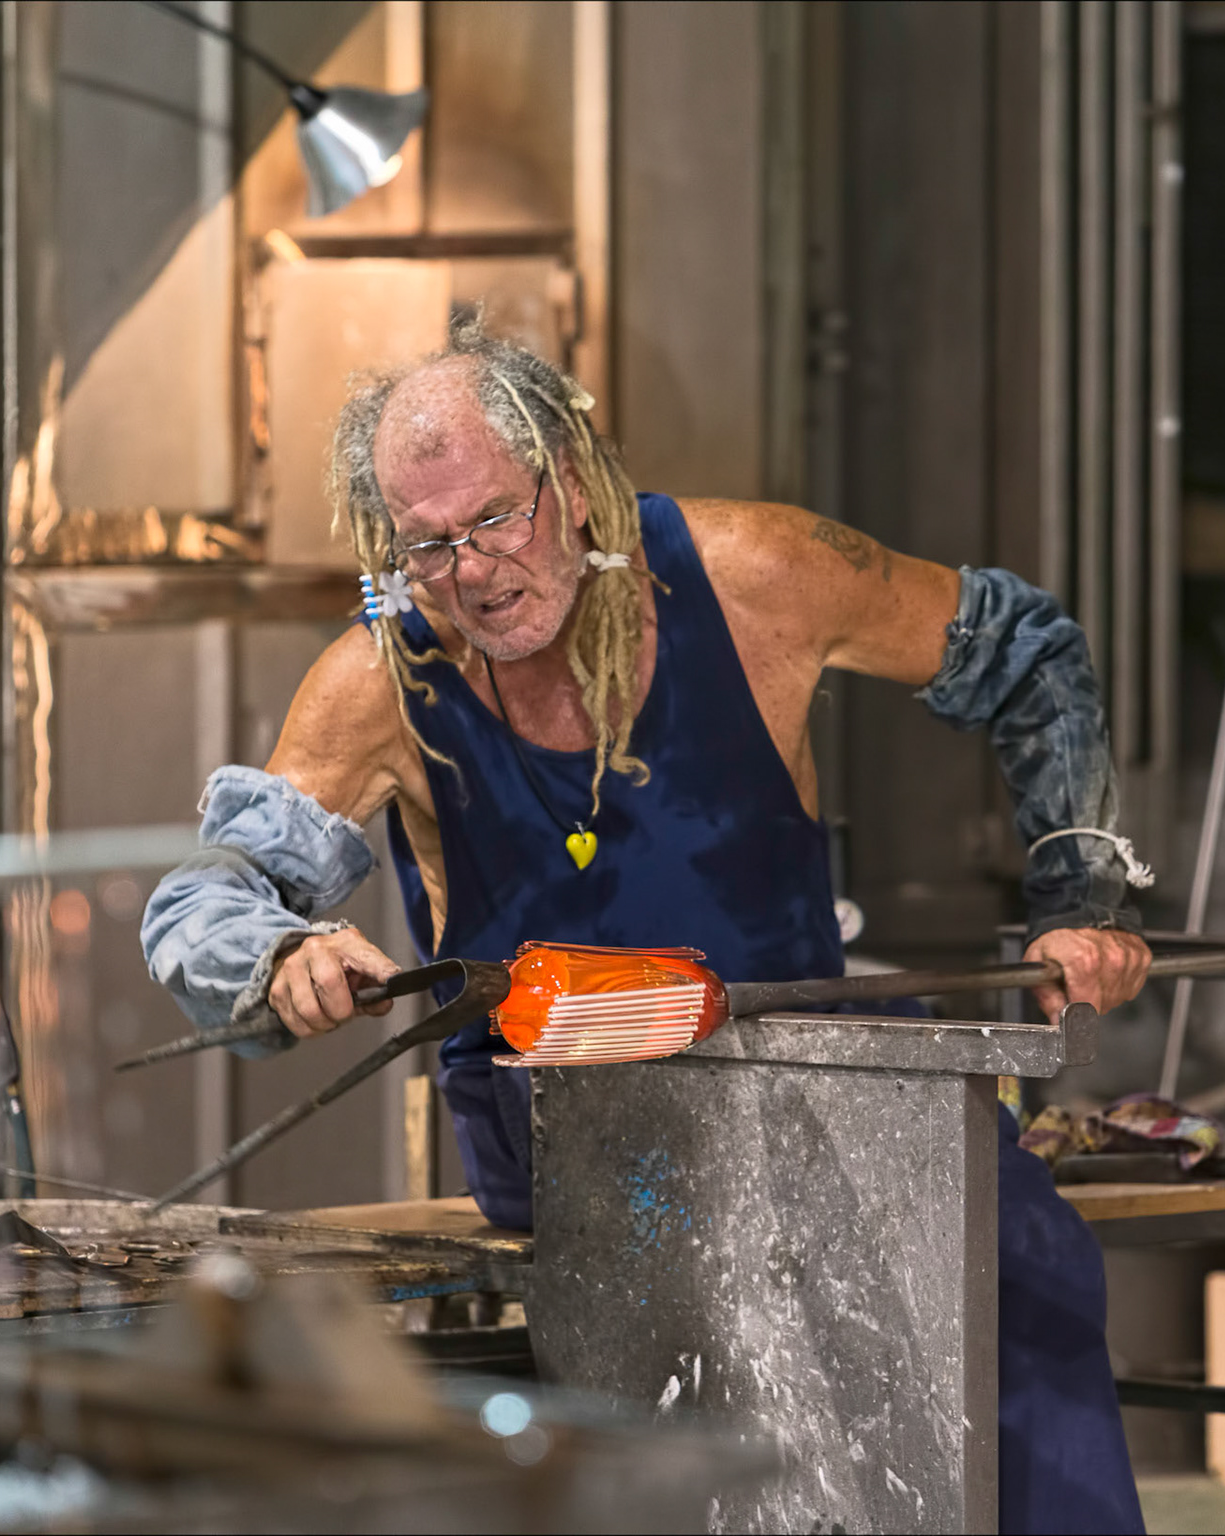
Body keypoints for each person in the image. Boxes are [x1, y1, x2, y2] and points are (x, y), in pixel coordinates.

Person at [143, 322, 1153, 1532]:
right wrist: (280, 955)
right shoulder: (384, 684)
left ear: (568, 482)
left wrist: (1079, 899)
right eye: (428, 545)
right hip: (573, 1136)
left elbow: (1026, 652)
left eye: (496, 520)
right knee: (718, 1353)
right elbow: (205, 897)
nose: (472, 572)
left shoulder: (756, 576)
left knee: (1023, 1264)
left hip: (810, 1076)